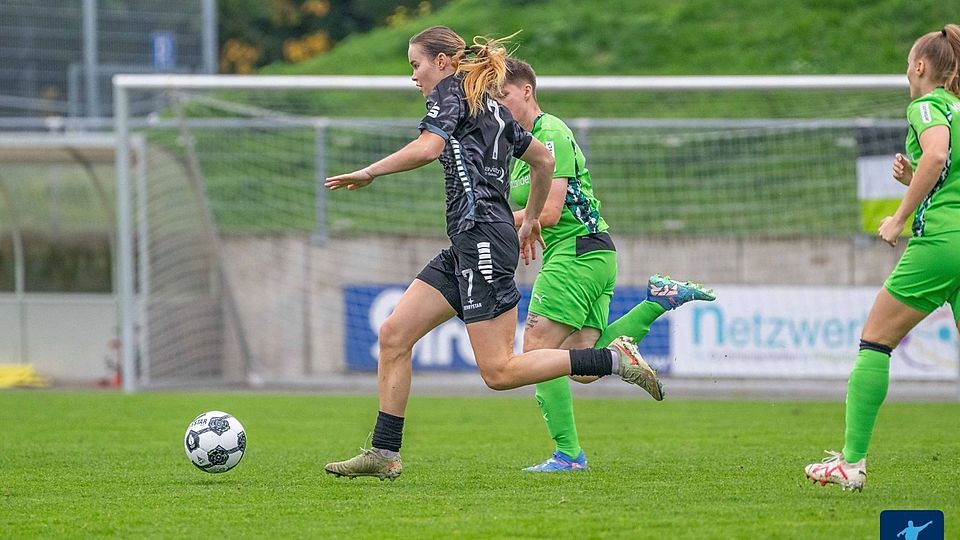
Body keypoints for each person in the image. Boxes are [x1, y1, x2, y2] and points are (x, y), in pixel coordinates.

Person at [322, 26, 663, 481]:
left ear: (442, 63)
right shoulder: (489, 107)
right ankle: (385, 452)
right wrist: (533, 218)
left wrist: (369, 172)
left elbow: (429, 148)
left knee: (499, 371)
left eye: (415, 65)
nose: (413, 76)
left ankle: (615, 359)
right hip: (470, 240)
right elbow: (541, 161)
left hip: (483, 238)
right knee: (394, 335)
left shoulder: (451, 96)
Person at [497, 58, 716, 472]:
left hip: (577, 252)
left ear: (526, 91)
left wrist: (492, 224)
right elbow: (536, 213)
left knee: (537, 352)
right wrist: (523, 223)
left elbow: (552, 211)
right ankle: (658, 301)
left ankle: (568, 456)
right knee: (584, 364)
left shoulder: (551, 133)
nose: (499, 104)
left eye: (503, 95)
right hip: (591, 254)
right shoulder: (520, 145)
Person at [804, 24, 960, 492]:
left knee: (875, 341)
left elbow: (937, 157)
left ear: (919, 66)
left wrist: (899, 216)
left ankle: (850, 464)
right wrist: (917, 178)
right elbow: (943, 170)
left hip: (943, 244)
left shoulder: (927, 104)